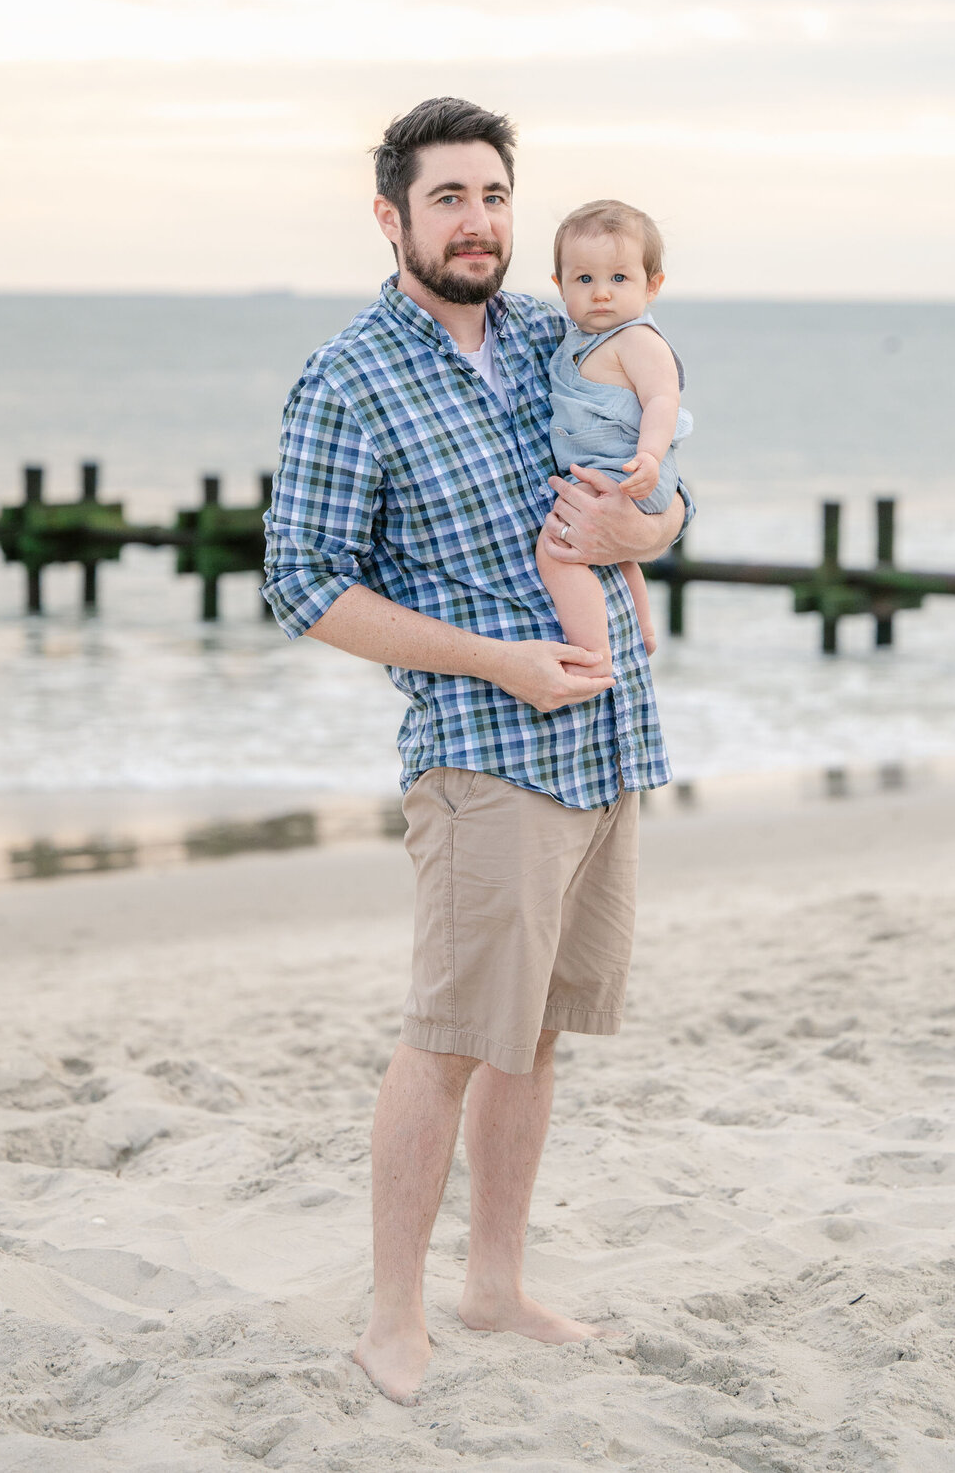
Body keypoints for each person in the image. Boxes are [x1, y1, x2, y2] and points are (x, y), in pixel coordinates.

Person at [262, 96, 693, 1407]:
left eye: (494, 195)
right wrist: (499, 657)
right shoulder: (350, 377)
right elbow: (305, 583)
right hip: (484, 747)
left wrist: (644, 531)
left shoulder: (565, 333)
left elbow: (651, 507)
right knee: (449, 1033)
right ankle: (395, 1313)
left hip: (605, 735)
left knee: (538, 1030)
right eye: (448, 197)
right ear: (391, 215)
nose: (478, 221)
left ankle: (494, 1280)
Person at [536, 198, 692, 673]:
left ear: (652, 286)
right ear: (560, 287)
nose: (601, 293)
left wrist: (648, 456)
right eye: (585, 280)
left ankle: (594, 654)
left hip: (630, 468)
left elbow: (664, 401)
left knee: (558, 549)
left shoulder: (638, 340)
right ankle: (643, 630)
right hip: (613, 469)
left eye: (619, 279)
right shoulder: (576, 340)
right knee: (616, 552)